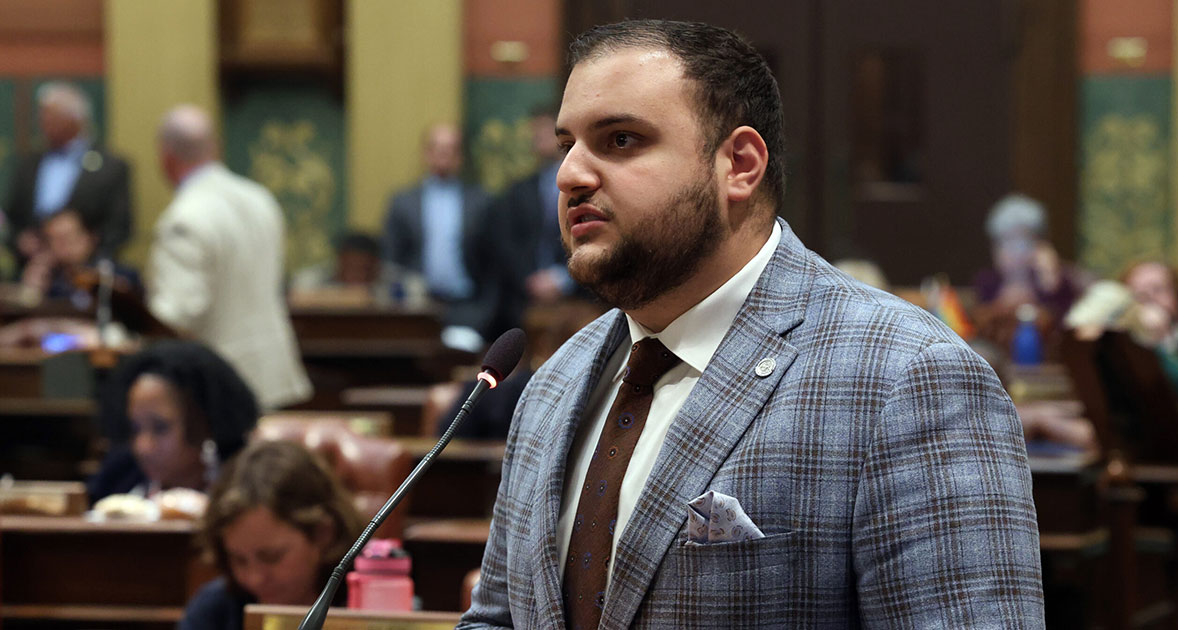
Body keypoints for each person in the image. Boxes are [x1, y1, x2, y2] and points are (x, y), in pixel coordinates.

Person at [459, 20, 1042, 629]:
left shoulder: (908, 378)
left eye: (622, 140)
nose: (570, 175)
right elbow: (496, 620)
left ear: (739, 164)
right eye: (566, 145)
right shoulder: (555, 384)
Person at [146, 105, 312, 410]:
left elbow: (178, 312)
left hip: (221, 380)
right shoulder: (260, 198)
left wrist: (115, 333)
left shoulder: (183, 219)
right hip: (272, 370)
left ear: (166, 158)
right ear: (216, 148)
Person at [180, 440, 363, 630]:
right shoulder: (214, 609)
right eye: (239, 560)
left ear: (323, 534)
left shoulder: (369, 604)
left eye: (271, 557)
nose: (255, 579)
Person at [87, 340, 260, 503]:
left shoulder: (247, 487)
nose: (143, 447)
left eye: (160, 428)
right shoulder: (118, 479)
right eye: (135, 429)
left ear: (205, 422)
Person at [381, 123, 495, 338]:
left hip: (467, 308)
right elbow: (391, 262)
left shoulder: (481, 202)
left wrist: (484, 312)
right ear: (426, 153)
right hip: (416, 309)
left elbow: (493, 264)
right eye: (437, 148)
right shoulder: (403, 202)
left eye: (450, 148)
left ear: (460, 155)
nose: (443, 154)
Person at [3, 81, 132, 264]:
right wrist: (19, 241)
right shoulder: (28, 163)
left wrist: (83, 247)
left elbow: (120, 227)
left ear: (76, 119)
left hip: (87, 272)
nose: (43, 123)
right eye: (42, 116)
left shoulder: (111, 167)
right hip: (33, 270)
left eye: (51, 116)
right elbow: (11, 219)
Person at [489, 104, 580, 334]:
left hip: (579, 295)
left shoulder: (583, 185)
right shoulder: (519, 190)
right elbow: (507, 243)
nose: (537, 137)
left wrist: (563, 280)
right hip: (525, 297)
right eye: (534, 131)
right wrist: (530, 280)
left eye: (543, 129)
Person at [972, 193, 1090, 358]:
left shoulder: (1056, 278)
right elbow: (979, 328)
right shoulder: (988, 280)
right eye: (1006, 240)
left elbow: (1067, 323)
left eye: (1023, 240)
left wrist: (1050, 278)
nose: (1015, 250)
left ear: (1039, 242)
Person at [19, 207, 142, 300]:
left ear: (90, 237)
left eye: (68, 237)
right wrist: (31, 291)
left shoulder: (119, 275)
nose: (62, 246)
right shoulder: (49, 279)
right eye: (54, 239)